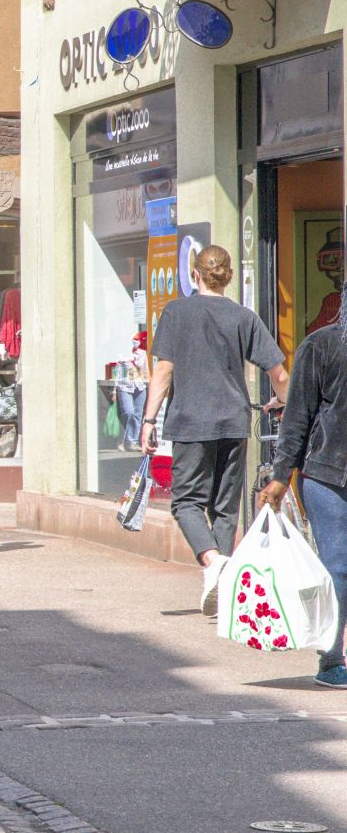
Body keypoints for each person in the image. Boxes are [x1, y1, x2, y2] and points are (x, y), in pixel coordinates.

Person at [144, 246, 289, 613]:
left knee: (186, 501)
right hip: (233, 421)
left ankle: (213, 562)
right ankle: (224, 588)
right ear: (227, 276)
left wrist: (148, 420)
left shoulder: (177, 311)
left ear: (195, 274)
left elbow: (163, 371)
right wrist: (282, 402)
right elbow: (279, 372)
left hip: (191, 422)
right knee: (225, 507)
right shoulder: (243, 316)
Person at [258, 317, 347, 689]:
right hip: (328, 473)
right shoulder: (322, 345)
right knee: (337, 565)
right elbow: (298, 416)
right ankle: (330, 658)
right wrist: (281, 476)